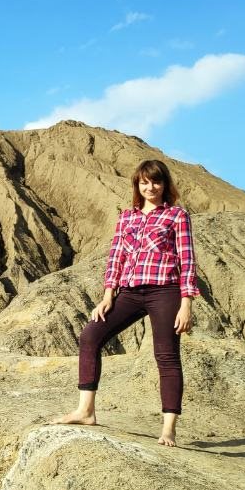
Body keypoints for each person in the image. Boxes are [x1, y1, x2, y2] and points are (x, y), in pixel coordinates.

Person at [51, 159, 199, 447]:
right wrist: (108, 295)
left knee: (166, 355)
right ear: (137, 185)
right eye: (144, 182)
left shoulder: (177, 216)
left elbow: (187, 259)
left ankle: (168, 428)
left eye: (156, 182)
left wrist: (186, 303)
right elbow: (116, 257)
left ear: (165, 184)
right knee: (90, 335)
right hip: (129, 292)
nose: (150, 187)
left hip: (165, 291)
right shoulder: (127, 218)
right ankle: (86, 411)